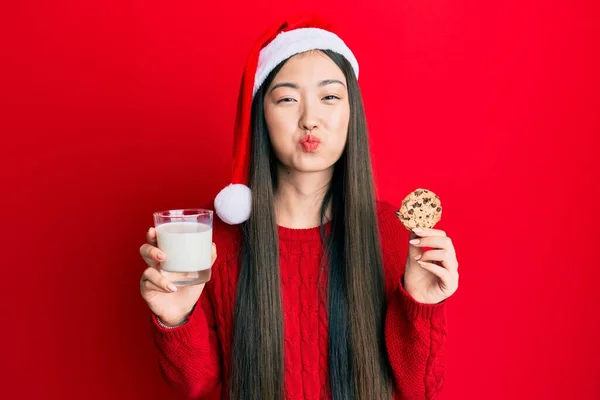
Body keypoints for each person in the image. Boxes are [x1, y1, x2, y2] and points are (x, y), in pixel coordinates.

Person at [139, 14, 459, 400]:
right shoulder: (211, 239)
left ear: (351, 112)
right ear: (262, 115)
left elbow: (420, 390)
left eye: (329, 97)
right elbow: (197, 387)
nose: (310, 120)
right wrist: (175, 318)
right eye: (288, 98)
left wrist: (422, 306)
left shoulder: (392, 234)